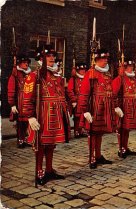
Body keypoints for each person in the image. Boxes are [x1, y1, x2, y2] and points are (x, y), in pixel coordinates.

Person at [23, 44, 70, 185]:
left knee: (51, 143)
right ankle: (39, 171)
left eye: (53, 56)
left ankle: (49, 169)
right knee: (41, 143)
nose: (52, 58)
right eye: (48, 56)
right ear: (41, 58)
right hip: (43, 114)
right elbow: (27, 96)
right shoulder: (34, 76)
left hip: (55, 114)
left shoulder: (56, 75)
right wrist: (29, 116)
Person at [78, 48, 119, 169]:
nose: (105, 61)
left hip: (105, 106)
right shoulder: (91, 73)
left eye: (106, 58)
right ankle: (92, 157)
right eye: (103, 59)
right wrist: (84, 110)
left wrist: (115, 105)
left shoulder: (107, 73)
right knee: (93, 132)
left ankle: (99, 155)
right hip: (95, 106)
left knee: (100, 133)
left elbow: (111, 89)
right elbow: (84, 92)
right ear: (96, 60)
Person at [112, 60, 136, 158]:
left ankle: (125, 146)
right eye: (129, 67)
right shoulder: (119, 79)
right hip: (122, 106)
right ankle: (121, 148)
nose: (131, 68)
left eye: (132, 66)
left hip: (131, 106)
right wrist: (116, 106)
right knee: (121, 128)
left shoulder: (132, 78)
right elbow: (114, 94)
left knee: (127, 128)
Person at [8, 54, 32, 148]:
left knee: (28, 122)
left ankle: (26, 138)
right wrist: (12, 104)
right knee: (20, 123)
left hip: (29, 102)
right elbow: (11, 90)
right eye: (24, 63)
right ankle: (20, 140)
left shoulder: (30, 74)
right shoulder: (15, 75)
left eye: (27, 63)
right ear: (19, 64)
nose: (26, 64)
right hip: (20, 103)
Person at [67, 63, 88, 138]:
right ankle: (76, 131)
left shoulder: (86, 78)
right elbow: (70, 90)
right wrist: (73, 100)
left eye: (84, 70)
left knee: (84, 116)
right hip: (77, 101)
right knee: (77, 117)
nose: (83, 71)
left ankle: (81, 130)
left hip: (85, 100)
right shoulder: (73, 79)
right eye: (81, 70)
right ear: (78, 71)